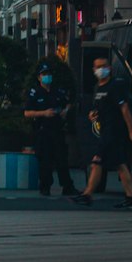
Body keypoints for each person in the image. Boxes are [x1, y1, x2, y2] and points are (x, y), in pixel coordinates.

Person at [70, 53, 132, 210]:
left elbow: (124, 109)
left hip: (114, 131)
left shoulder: (115, 86)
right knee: (120, 164)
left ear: (109, 68)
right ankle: (131, 197)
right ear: (94, 69)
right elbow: (98, 108)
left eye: (104, 66)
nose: (101, 69)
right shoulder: (98, 88)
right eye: (98, 67)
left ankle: (88, 194)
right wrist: (92, 115)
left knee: (97, 161)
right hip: (104, 131)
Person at [23, 58, 76, 197]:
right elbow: (27, 112)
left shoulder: (57, 91)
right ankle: (45, 186)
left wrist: (65, 111)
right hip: (43, 130)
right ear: (39, 77)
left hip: (57, 129)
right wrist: (44, 113)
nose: (47, 76)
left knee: (61, 159)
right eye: (44, 74)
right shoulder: (35, 92)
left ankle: (67, 186)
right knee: (45, 161)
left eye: (48, 74)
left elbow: (69, 103)